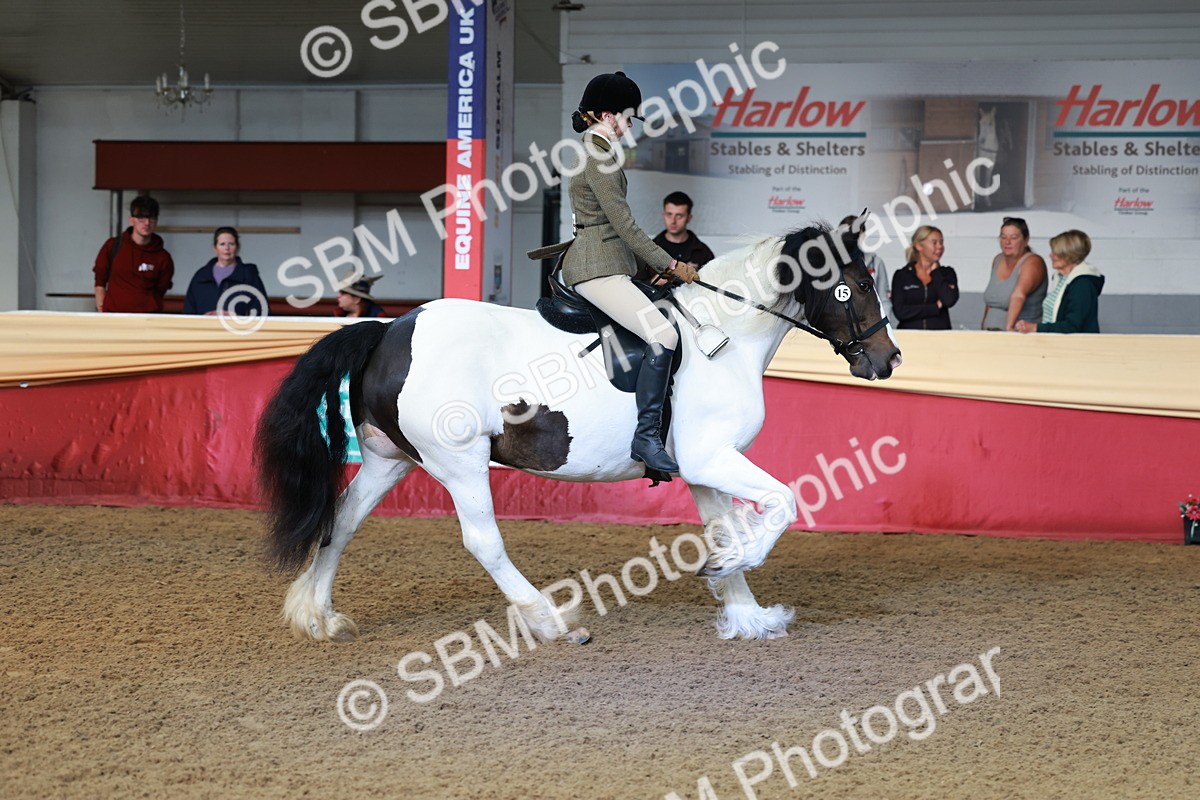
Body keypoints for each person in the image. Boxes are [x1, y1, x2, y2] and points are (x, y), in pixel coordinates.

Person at [562, 71, 699, 476]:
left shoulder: (596, 148)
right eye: (627, 118)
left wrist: (646, 268)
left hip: (609, 261)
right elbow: (623, 224)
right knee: (664, 334)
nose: (628, 127)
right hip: (596, 267)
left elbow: (612, 227)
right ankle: (647, 435)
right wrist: (669, 263)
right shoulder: (598, 152)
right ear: (608, 114)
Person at [92, 195, 174, 313]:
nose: (147, 223)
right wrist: (102, 311)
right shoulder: (112, 246)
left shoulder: (163, 257)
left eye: (152, 218)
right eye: (141, 218)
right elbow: (100, 281)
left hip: (148, 319)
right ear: (131, 220)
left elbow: (161, 289)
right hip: (114, 317)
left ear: (156, 221)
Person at [1016, 230, 1103, 334]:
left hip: (1076, 347)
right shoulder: (1061, 279)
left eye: (1056, 253)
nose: (1051, 255)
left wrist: (1036, 328)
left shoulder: (1082, 284)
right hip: (1058, 344)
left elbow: (1072, 326)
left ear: (1069, 255)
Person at [183, 227, 268, 317]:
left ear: (237, 247)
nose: (227, 248)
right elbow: (189, 311)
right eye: (222, 244)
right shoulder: (201, 276)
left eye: (231, 244)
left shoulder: (249, 276)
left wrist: (239, 319)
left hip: (238, 329)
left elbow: (262, 310)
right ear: (215, 248)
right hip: (206, 329)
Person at [981, 217, 1047, 331]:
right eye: (1003, 237)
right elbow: (990, 303)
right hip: (991, 334)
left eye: (1013, 238)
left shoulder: (1033, 262)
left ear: (1026, 240)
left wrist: (1009, 329)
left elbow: (1018, 295)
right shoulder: (997, 259)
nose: (1007, 242)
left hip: (1018, 336)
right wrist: (982, 329)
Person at [890, 225, 958, 330]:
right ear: (919, 246)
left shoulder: (947, 273)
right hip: (910, 338)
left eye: (941, 242)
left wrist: (936, 272)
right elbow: (900, 312)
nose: (940, 246)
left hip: (940, 339)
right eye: (934, 242)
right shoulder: (902, 275)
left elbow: (949, 300)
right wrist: (936, 307)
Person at [839, 214, 894, 325]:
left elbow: (883, 299)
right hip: (840, 324)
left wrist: (885, 325)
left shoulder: (876, 262)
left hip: (869, 323)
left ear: (863, 235)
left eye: (856, 234)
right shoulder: (832, 264)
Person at [652, 191, 715, 267]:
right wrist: (653, 279)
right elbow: (636, 278)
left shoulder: (703, 252)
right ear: (663, 215)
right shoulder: (650, 249)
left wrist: (696, 275)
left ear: (689, 218)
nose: (673, 221)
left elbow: (714, 278)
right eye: (669, 214)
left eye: (679, 216)